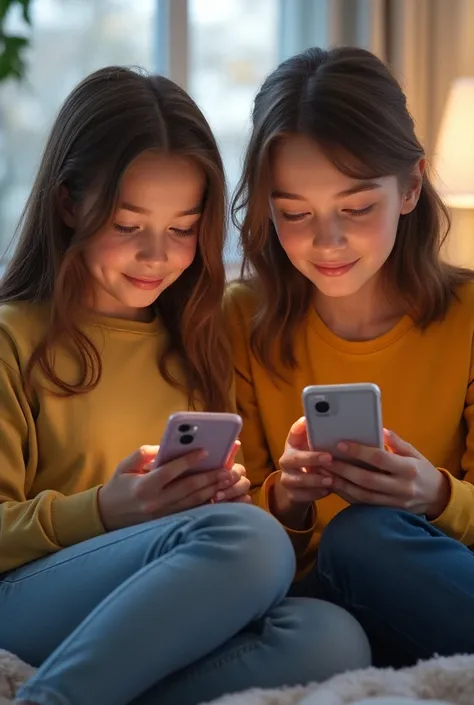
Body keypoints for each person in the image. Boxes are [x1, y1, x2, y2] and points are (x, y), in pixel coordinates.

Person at [0, 66, 370, 705]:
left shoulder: (199, 343)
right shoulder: (14, 338)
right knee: (244, 541)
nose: (156, 255)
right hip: (27, 594)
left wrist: (252, 501)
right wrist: (107, 510)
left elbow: (228, 544)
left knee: (331, 635)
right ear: (68, 204)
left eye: (181, 229)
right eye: (126, 224)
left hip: (154, 602)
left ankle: (95, 687)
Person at [227, 45, 474, 668]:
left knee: (368, 535)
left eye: (357, 208)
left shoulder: (469, 314)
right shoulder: (237, 319)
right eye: (293, 213)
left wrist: (435, 495)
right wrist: (288, 496)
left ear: (411, 187)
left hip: (431, 585)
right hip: (308, 608)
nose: (326, 241)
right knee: (352, 541)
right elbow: (225, 535)